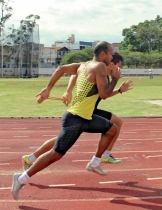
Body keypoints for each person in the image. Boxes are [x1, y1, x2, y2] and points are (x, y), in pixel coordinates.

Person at [11, 41, 121, 200]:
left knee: (112, 129)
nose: (112, 57)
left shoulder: (83, 65)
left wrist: (48, 88)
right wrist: (115, 78)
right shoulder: (100, 67)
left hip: (86, 118)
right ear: (103, 54)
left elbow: (61, 68)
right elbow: (104, 94)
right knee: (55, 155)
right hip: (75, 119)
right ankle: (20, 178)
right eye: (111, 54)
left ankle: (95, 162)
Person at [21, 53, 132, 171]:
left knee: (116, 124)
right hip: (84, 111)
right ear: (111, 64)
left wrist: (119, 89)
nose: (119, 70)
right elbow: (76, 74)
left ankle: (31, 158)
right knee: (115, 124)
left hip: (89, 110)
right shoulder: (98, 72)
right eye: (119, 66)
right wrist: (68, 91)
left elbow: (101, 92)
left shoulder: (102, 74)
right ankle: (105, 155)